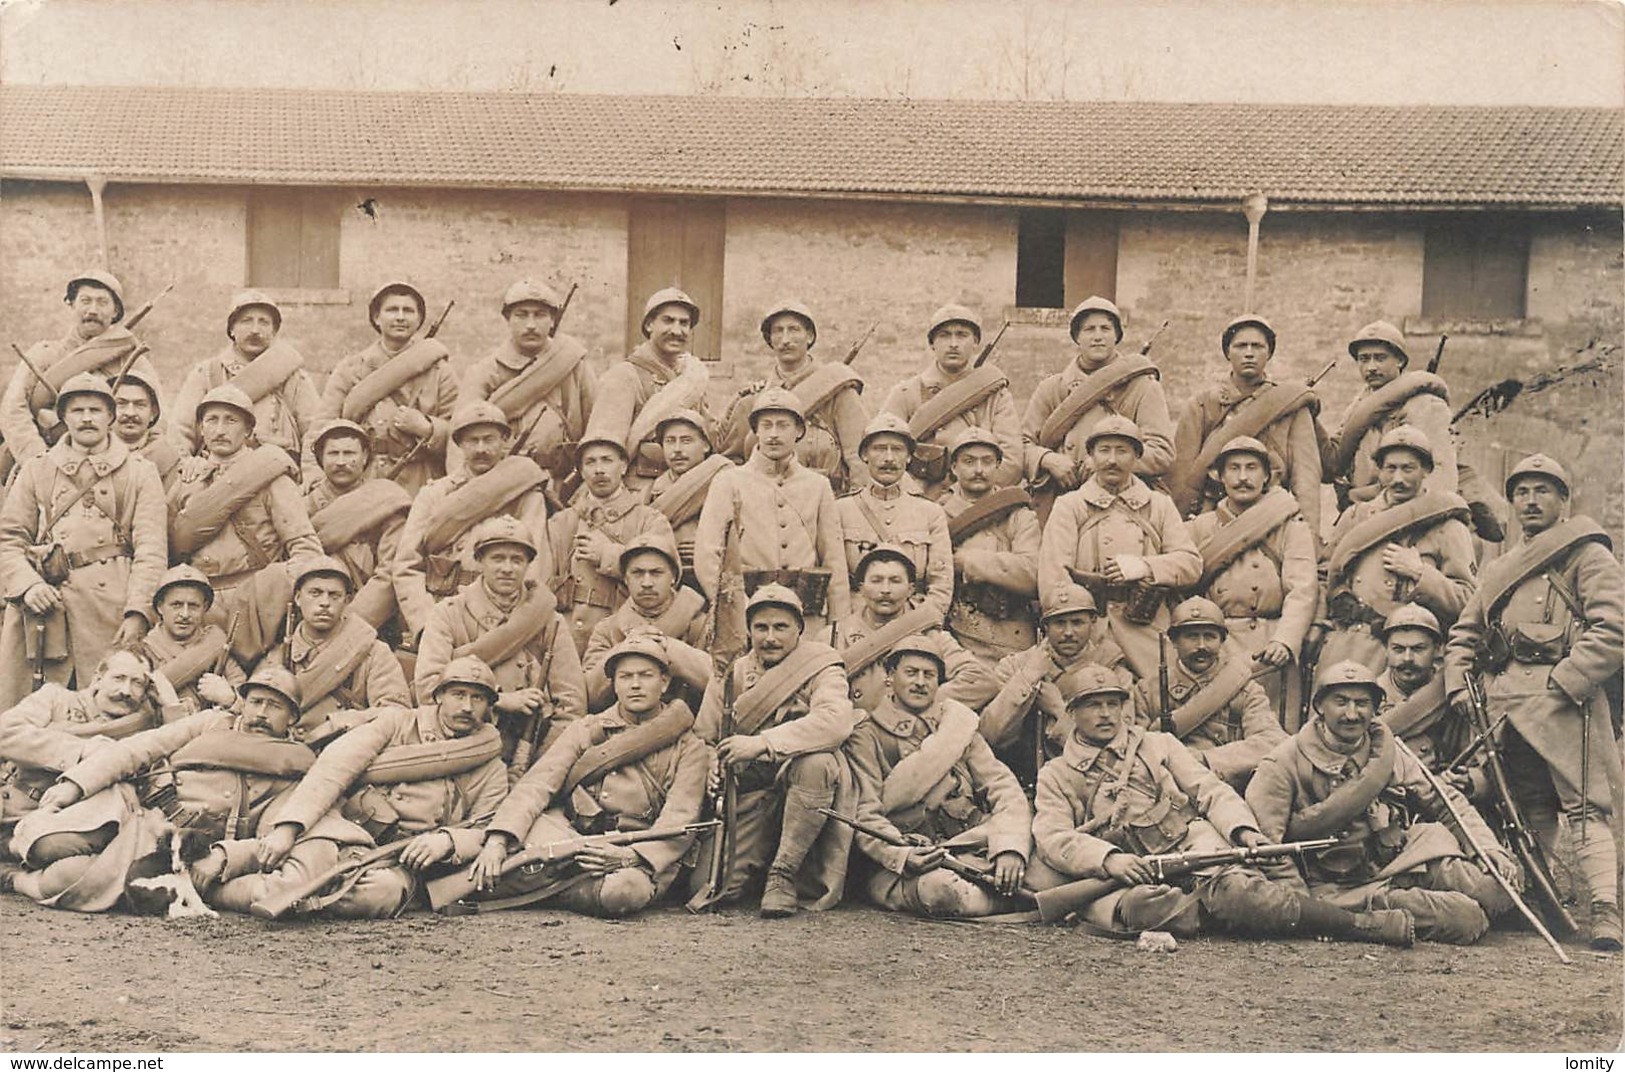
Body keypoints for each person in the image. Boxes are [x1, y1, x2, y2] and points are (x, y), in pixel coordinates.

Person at [1029, 665, 1414, 946]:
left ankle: (1357, 926)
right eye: (1093, 705)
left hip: (1192, 849)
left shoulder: (1157, 745)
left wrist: (1242, 831)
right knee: (1145, 909)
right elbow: (1053, 835)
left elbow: (1210, 791)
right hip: (1126, 873)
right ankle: (1230, 915)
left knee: (1240, 893)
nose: (1106, 714)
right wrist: (1109, 859)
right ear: (1072, 713)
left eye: (1113, 704)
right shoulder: (1057, 774)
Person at [1442, 453, 1624, 951]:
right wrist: (1459, 683)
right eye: (1521, 492)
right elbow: (1465, 633)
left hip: (1566, 702)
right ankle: (1539, 900)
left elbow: (1613, 627)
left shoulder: (1588, 556)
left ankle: (1605, 909)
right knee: (1525, 809)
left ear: (1565, 501)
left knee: (1585, 807)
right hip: (1505, 706)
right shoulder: (1499, 567)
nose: (1531, 501)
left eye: (1543, 491)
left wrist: (1568, 679)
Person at [14, 667, 367, 916]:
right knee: (48, 845)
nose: (261, 713)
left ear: (292, 718)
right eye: (255, 701)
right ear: (242, 702)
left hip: (202, 854)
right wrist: (74, 785)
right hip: (148, 825)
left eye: (274, 706)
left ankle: (14, 879)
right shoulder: (210, 723)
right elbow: (139, 749)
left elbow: (274, 839)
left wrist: (225, 857)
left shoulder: (299, 766)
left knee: (66, 879)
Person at [1246, 660, 1515, 945]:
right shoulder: (1282, 764)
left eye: (1362, 703)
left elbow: (1444, 800)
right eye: (1341, 702)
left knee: (1499, 888)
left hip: (1400, 857)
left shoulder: (1386, 748)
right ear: (1319, 706)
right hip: (1336, 886)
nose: (1352, 714)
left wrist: (1485, 848)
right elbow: (1269, 850)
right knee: (1466, 919)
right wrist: (1312, 914)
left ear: (1375, 709)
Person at [463, 633, 710, 917]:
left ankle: (550, 891)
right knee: (488, 862)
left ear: (664, 682)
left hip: (635, 851)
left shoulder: (689, 747)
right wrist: (498, 840)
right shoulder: (588, 729)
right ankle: (570, 889)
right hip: (571, 840)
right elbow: (537, 785)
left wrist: (631, 857)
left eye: (646, 675)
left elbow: (680, 818)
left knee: (624, 892)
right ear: (614, 684)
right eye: (625, 676)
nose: (636, 685)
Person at [252, 656, 511, 919]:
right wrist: (289, 828)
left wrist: (448, 840)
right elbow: (335, 766)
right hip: (348, 831)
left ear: (489, 706)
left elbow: (488, 827)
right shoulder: (396, 722)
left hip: (403, 858)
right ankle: (227, 891)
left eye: (477, 698)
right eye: (458, 694)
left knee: (378, 895)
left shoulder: (491, 767)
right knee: (290, 878)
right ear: (440, 695)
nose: (467, 706)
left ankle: (310, 903)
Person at [0, 373, 167, 708]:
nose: (87, 418)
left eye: (96, 409)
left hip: (111, 607)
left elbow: (151, 549)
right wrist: (29, 585)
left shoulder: (139, 471)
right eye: (77, 410)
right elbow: (9, 538)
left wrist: (138, 611)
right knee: (30, 710)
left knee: (107, 705)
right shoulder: (37, 469)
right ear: (63, 417)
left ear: (111, 416)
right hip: (45, 607)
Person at [694, 585, 858, 916]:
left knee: (818, 763)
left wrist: (762, 743)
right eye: (761, 627)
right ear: (749, 630)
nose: (770, 637)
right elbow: (704, 735)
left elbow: (835, 722)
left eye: (781, 627)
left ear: (800, 628)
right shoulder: (733, 671)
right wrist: (712, 760)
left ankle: (784, 873)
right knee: (714, 887)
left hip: (804, 786)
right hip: (751, 793)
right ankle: (759, 865)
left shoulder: (822, 666)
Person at [844, 633, 1031, 918]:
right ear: (890, 677)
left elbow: (1003, 788)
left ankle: (1009, 891)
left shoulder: (957, 726)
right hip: (911, 862)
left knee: (1043, 863)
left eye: (929, 675)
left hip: (970, 845)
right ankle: (1014, 900)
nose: (920, 682)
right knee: (942, 892)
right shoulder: (866, 734)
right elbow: (865, 814)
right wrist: (903, 856)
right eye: (911, 673)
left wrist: (1009, 848)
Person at [416, 516, 586, 772]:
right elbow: (429, 688)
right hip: (457, 747)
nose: (507, 568)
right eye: (497, 558)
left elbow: (571, 705)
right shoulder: (449, 613)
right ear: (480, 561)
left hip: (527, 750)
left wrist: (542, 762)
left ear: (528, 564)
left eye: (517, 560)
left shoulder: (549, 621)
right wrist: (501, 700)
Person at [1037, 415, 1201, 679]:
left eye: (1122, 451)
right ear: (1090, 456)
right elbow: (1053, 577)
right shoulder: (1071, 505)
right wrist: (1074, 625)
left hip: (1145, 622)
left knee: (1157, 697)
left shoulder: (1158, 505)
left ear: (1137, 457)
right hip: (1090, 630)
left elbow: (1191, 564)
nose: (1112, 460)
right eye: (1104, 451)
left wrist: (1145, 566)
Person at [693, 389, 851, 640]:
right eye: (766, 425)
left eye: (783, 425)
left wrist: (838, 625)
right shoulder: (729, 482)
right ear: (756, 431)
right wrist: (738, 609)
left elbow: (833, 560)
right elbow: (707, 556)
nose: (774, 434)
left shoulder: (817, 485)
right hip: (747, 617)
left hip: (806, 621)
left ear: (799, 431)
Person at [1319, 426, 1476, 672]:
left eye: (1408, 468)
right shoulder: (1357, 516)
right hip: (1349, 648)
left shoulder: (1447, 526)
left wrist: (1420, 573)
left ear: (1426, 470)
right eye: (1390, 468)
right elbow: (1324, 575)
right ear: (1379, 471)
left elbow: (1468, 602)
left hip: (1409, 659)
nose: (1398, 479)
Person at [393, 402, 552, 646]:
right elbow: (407, 566)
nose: (481, 449)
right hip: (444, 615)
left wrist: (511, 626)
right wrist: (427, 625)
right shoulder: (435, 495)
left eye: (489, 439)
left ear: (504, 441)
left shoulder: (525, 497)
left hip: (502, 618)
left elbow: (534, 569)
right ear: (459, 445)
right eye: (472, 441)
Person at [1328, 320, 1502, 540]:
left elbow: (1440, 475)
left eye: (1380, 358)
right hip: (1360, 518)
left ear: (1400, 360)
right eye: (1364, 359)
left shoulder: (1425, 406)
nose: (1371, 367)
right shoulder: (1355, 410)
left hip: (1408, 522)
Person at [1186, 436, 1317, 724]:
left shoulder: (1289, 526)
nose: (1242, 478)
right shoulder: (1199, 528)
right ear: (1220, 476)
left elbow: (1302, 588)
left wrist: (1285, 641)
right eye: (1233, 468)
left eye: (1252, 468)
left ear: (1267, 476)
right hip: (1215, 645)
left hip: (1268, 646)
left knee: (1273, 733)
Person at [166, 384, 319, 621]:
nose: (219, 430)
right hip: (197, 607)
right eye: (211, 420)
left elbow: (305, 548)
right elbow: (166, 547)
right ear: (200, 429)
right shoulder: (187, 478)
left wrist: (274, 590)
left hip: (256, 603)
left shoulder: (269, 475)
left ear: (248, 430)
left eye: (231, 421)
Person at [1169, 315, 1322, 537]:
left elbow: (1306, 480)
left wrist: (1308, 537)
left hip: (1273, 519)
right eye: (1241, 346)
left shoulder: (1290, 405)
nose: (1249, 353)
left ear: (1269, 353)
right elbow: (1182, 476)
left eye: (1257, 346)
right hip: (1214, 519)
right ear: (1227, 352)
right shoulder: (1202, 405)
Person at [1023, 296, 1175, 517]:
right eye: (1088, 330)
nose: (1097, 337)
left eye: (1105, 329)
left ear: (1116, 336)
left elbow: (1161, 452)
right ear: (1076, 337)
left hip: (1123, 502)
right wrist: (1048, 459)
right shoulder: (1052, 388)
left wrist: (1106, 462)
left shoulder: (1142, 387)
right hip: (1061, 499)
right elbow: (1022, 444)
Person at [0, 649, 168, 846]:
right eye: (118, 678)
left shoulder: (142, 730)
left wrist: (171, 705)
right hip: (14, 810)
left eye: (137, 683)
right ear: (98, 678)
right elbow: (6, 732)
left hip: (75, 826)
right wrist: (82, 751)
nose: (126, 690)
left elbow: (169, 767)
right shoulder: (57, 698)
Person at [0, 271, 163, 470]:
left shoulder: (133, 361)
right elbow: (13, 410)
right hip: (47, 461)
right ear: (72, 305)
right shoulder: (44, 354)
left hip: (115, 468)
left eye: (102, 302)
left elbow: (157, 419)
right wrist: (38, 460)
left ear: (115, 312)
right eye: (85, 301)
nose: (93, 310)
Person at [978, 584, 1135, 786]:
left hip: (1093, 781)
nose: (1068, 632)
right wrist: (1028, 677)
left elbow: (1121, 749)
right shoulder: (1016, 666)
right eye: (1059, 623)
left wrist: (1058, 710)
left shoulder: (1113, 669)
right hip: (1021, 780)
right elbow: (990, 734)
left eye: (1077, 623)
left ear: (1093, 622)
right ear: (1045, 626)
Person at [319, 281, 457, 495]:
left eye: (408, 311)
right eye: (392, 310)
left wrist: (427, 428)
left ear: (419, 319)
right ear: (376, 317)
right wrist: (313, 479)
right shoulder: (352, 368)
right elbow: (323, 426)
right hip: (362, 480)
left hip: (421, 480)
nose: (400, 317)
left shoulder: (440, 372)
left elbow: (460, 433)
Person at [258, 555, 411, 748]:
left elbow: (396, 713)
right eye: (315, 593)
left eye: (334, 595)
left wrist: (337, 724)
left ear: (346, 601)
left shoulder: (372, 651)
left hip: (345, 751)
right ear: (297, 598)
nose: (324, 602)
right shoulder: (279, 654)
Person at [1132, 597, 1285, 789]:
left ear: (1222, 640)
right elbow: (1135, 749)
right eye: (1192, 636)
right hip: (1168, 787)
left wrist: (1207, 759)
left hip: (1229, 785)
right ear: (1174, 641)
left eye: (1210, 636)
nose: (1202, 645)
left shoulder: (1245, 688)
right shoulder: (1148, 691)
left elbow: (1271, 741)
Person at [719, 300, 870, 493]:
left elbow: (861, 459)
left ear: (810, 336)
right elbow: (732, 464)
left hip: (826, 504)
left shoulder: (838, 391)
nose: (785, 339)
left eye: (794, 330)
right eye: (778, 331)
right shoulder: (751, 400)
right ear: (769, 339)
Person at [545, 435, 675, 656]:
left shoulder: (650, 520)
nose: (599, 470)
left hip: (623, 632)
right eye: (590, 462)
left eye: (607, 460)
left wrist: (607, 555)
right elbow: (542, 583)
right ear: (581, 471)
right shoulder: (562, 522)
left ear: (623, 466)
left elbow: (665, 576)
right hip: (566, 635)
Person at [463, 280, 595, 488]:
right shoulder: (484, 372)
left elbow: (594, 428)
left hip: (564, 485)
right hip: (502, 485)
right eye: (521, 315)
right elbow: (461, 439)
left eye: (540, 315)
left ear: (552, 320)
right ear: (508, 319)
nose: (531, 325)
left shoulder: (574, 365)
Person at [881, 304, 1022, 499]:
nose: (953, 343)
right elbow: (882, 452)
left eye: (962, 335)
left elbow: (1011, 463)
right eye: (944, 335)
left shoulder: (995, 395)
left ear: (975, 342)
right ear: (932, 344)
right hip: (919, 505)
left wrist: (961, 498)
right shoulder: (905, 393)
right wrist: (914, 499)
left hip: (976, 507)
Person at [833, 544, 993, 714]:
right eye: (876, 580)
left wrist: (922, 702)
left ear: (910, 589)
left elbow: (981, 681)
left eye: (895, 581)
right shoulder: (835, 635)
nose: (885, 590)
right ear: (861, 588)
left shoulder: (929, 633)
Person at [170, 291, 320, 466]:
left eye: (264, 322)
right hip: (219, 472)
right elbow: (180, 431)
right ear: (232, 329)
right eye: (246, 321)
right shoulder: (207, 372)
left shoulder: (293, 376)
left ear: (274, 331)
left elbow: (314, 429)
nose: (255, 330)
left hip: (278, 470)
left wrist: (311, 472)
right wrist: (187, 465)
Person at [587, 288, 711, 493]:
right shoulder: (624, 376)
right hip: (638, 490)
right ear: (649, 324)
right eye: (668, 321)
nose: (677, 330)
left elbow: (709, 435)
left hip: (688, 487)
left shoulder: (692, 376)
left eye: (684, 323)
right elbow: (603, 447)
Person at [939, 426, 1040, 668]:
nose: (978, 470)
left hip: (1013, 635)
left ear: (998, 466)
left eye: (987, 462)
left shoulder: (1018, 514)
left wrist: (969, 561)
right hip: (958, 635)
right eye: (969, 461)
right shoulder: (937, 513)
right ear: (954, 468)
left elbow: (1032, 573)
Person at [837, 412, 954, 620]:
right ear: (864, 455)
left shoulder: (930, 513)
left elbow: (941, 583)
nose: (889, 458)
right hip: (856, 623)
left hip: (913, 622)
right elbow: (836, 581)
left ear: (909, 457)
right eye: (879, 449)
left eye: (897, 449)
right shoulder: (841, 510)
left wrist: (923, 622)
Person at [580, 531, 709, 712]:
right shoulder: (608, 629)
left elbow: (721, 684)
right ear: (625, 578)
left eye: (656, 573)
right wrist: (625, 648)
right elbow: (589, 696)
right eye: (638, 573)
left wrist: (669, 647)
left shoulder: (701, 624)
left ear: (673, 577)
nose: (646, 582)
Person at [303, 419, 411, 631]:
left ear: (364, 458)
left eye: (350, 454)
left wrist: (350, 626)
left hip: (370, 621)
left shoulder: (386, 500)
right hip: (310, 616)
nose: (341, 462)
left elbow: (390, 571)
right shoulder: (303, 505)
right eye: (333, 454)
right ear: (320, 459)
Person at [642, 409, 732, 589]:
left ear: (706, 445)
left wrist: (707, 549)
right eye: (669, 441)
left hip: (715, 578)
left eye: (686, 441)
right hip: (664, 582)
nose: (677, 450)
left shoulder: (726, 479)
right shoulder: (651, 490)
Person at [141, 564, 244, 717]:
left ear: (205, 608)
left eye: (193, 606)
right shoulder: (142, 651)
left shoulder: (218, 647)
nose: (185, 614)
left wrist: (230, 698)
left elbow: (246, 696)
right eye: (176, 605)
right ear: (160, 607)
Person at [1374, 605, 1461, 772]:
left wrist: (1467, 780)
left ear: (1437, 650)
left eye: (1418, 649)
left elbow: (1477, 758)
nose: (1407, 658)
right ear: (1386, 650)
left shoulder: (1453, 693)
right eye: (1398, 649)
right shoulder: (1368, 698)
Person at [110, 369, 181, 488]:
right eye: (121, 404)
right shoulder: (91, 452)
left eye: (140, 405)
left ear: (153, 412)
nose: (130, 413)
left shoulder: (168, 459)